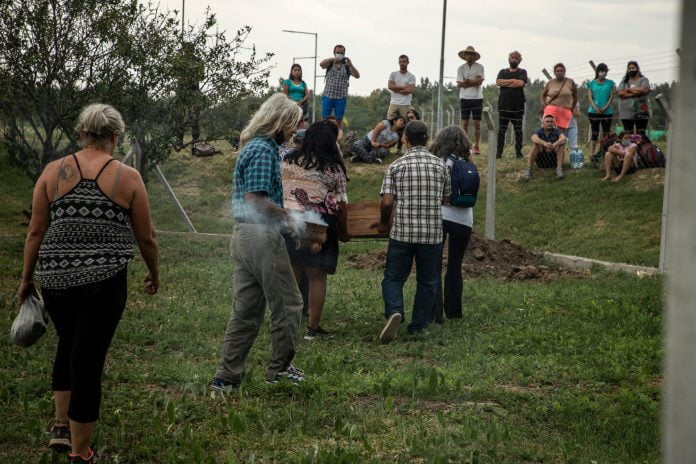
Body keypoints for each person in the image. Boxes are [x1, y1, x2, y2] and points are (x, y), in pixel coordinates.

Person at [17, 103, 159, 463]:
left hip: (56, 278)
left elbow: (36, 230)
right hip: (104, 281)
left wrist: (26, 279)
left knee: (68, 344)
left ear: (82, 133)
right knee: (88, 359)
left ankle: (61, 426)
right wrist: (154, 273)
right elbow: (146, 237)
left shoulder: (53, 172)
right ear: (115, 136)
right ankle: (81, 452)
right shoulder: (126, 177)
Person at [210, 93, 306, 391]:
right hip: (261, 236)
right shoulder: (264, 150)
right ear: (279, 122)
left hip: (243, 235)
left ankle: (226, 377)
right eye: (291, 124)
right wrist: (288, 217)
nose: (293, 131)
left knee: (247, 311)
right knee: (289, 304)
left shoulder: (252, 147)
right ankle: (279, 370)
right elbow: (255, 199)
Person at [377, 120, 451, 343]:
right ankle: (418, 326)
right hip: (431, 234)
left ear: (405, 139)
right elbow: (446, 198)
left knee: (393, 277)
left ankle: (395, 311)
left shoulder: (396, 166)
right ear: (427, 139)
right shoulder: (440, 166)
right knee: (428, 280)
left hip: (402, 233)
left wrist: (383, 222)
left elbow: (388, 202)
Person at [281, 121, 350, 340]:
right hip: (319, 224)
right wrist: (344, 230)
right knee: (317, 278)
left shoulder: (288, 160)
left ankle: (286, 323)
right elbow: (341, 205)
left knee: (292, 275)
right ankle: (313, 328)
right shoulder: (334, 168)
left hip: (289, 220)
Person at [429, 126, 473, 322]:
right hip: (464, 220)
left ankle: (435, 313)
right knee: (455, 266)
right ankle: (454, 312)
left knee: (435, 266)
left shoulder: (437, 162)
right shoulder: (467, 163)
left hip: (440, 217)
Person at [495, 50, 527, 159]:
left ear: (519, 60)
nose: (514, 59)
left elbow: (521, 83)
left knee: (518, 131)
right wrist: (513, 81)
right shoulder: (502, 71)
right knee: (501, 131)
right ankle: (498, 153)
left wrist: (506, 82)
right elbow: (498, 82)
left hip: (517, 107)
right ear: (509, 59)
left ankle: (518, 153)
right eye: (512, 57)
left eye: (516, 58)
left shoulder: (523, 72)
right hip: (503, 106)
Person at [320, 44, 360, 128]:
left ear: (344, 54)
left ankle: (338, 138)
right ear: (334, 53)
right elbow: (321, 64)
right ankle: (323, 137)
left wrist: (351, 64)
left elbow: (357, 76)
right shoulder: (330, 63)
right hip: (328, 95)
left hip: (341, 97)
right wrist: (332, 59)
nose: (339, 54)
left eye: (341, 53)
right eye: (337, 52)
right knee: (324, 119)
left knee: (339, 120)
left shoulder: (347, 66)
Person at [456, 46, 485, 155]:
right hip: (465, 98)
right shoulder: (461, 68)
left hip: (477, 98)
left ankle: (477, 146)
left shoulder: (480, 67)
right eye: (467, 54)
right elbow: (460, 84)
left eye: (471, 54)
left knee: (477, 123)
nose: (469, 56)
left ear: (474, 56)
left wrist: (467, 81)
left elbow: (480, 82)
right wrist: (474, 81)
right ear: (465, 55)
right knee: (465, 124)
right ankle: (466, 146)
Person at [523, 114, 567, 180]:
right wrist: (545, 144)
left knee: (561, 144)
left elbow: (563, 138)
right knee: (536, 144)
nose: (549, 123)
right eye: (547, 121)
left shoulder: (557, 131)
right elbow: (533, 138)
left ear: (554, 123)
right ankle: (529, 169)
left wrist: (554, 145)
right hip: (541, 161)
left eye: (551, 121)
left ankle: (559, 169)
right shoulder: (539, 131)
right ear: (543, 122)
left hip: (554, 160)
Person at [586, 63, 616, 156]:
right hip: (593, 111)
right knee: (594, 133)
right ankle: (592, 154)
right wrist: (595, 107)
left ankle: (604, 153)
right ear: (597, 72)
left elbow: (611, 96)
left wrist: (605, 107)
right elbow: (590, 97)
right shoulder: (591, 83)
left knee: (606, 134)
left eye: (604, 71)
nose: (603, 73)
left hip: (607, 112)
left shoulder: (610, 83)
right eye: (601, 71)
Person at [540, 63, 578, 133]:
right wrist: (543, 104)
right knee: (548, 128)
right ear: (554, 72)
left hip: (565, 109)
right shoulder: (550, 82)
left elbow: (575, 96)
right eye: (557, 71)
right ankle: (547, 143)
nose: (560, 72)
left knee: (561, 132)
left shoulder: (570, 82)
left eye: (561, 71)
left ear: (564, 72)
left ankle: (560, 144)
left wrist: (572, 107)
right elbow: (543, 95)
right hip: (551, 108)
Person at [616, 61, 651, 136]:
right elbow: (619, 92)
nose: (631, 69)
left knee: (641, 134)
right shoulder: (624, 81)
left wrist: (628, 90)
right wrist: (636, 92)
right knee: (628, 134)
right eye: (629, 68)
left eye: (633, 68)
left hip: (641, 112)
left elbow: (644, 90)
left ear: (638, 69)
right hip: (626, 113)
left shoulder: (644, 80)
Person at [387, 55, 416, 120]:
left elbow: (409, 90)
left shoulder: (411, 76)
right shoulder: (393, 74)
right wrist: (405, 87)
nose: (402, 63)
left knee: (406, 123)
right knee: (389, 121)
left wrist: (395, 89)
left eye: (404, 61)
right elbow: (390, 86)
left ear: (407, 62)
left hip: (405, 104)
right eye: (400, 62)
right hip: (393, 103)